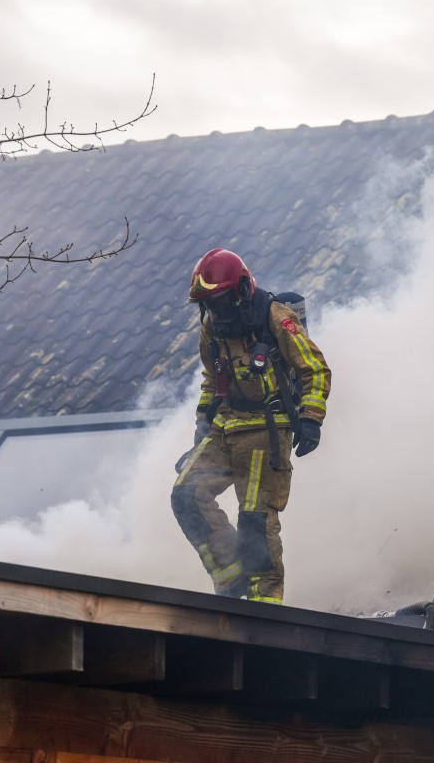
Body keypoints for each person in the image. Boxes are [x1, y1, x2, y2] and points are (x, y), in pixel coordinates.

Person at [170, 248, 331, 604]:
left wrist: (310, 420)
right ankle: (230, 580)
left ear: (240, 291)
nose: (216, 310)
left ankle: (264, 606)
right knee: (186, 495)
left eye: (221, 300)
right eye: (208, 303)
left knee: (255, 520)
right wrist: (201, 426)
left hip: (268, 429)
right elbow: (212, 380)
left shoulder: (275, 317)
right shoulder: (212, 328)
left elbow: (314, 368)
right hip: (225, 428)